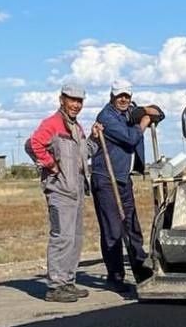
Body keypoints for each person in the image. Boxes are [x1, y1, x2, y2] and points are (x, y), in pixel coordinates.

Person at [27, 82, 103, 303]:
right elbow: (33, 145)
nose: (76, 105)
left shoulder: (76, 127)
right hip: (60, 190)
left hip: (76, 189)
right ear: (62, 99)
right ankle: (55, 286)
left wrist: (94, 138)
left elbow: (85, 153)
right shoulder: (51, 124)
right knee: (62, 237)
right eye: (72, 100)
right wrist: (51, 166)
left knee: (75, 238)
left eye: (79, 101)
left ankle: (67, 281)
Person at [90, 81, 156, 292]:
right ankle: (115, 276)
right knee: (113, 229)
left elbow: (159, 114)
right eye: (120, 96)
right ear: (112, 96)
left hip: (123, 177)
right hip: (106, 178)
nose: (124, 99)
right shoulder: (106, 117)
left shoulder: (130, 111)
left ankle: (141, 271)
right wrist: (143, 122)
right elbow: (129, 138)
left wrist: (143, 112)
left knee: (132, 226)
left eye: (127, 96)